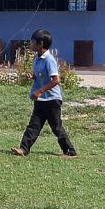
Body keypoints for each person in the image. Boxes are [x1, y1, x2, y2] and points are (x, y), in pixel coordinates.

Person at [12, 29, 77, 157]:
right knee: (33, 125)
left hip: (52, 100)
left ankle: (70, 151)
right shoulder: (37, 59)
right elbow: (41, 76)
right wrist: (32, 76)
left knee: (56, 127)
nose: (30, 44)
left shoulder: (49, 59)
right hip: (41, 100)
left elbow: (56, 80)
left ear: (40, 43)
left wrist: (39, 91)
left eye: (32, 42)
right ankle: (24, 149)